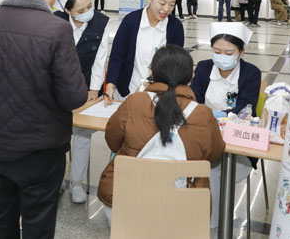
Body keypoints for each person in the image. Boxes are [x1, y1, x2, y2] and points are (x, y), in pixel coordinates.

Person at [0, 0, 88, 238]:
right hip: (40, 151)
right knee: (37, 224)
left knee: (0, 219)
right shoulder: (57, 28)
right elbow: (74, 97)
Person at [97, 45, 226, 225]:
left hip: (124, 202)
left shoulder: (135, 101)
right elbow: (215, 154)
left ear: (152, 72)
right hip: (183, 210)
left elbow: (112, 140)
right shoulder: (203, 114)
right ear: (192, 76)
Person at [190, 22, 262, 229]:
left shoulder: (251, 73)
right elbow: (193, 100)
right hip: (203, 136)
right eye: (217, 51)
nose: (222, 57)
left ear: (241, 51)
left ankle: (212, 227)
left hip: (236, 146)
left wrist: (219, 116)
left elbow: (245, 108)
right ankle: (188, 215)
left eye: (229, 53)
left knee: (212, 170)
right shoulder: (203, 68)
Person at [53, 0, 110, 204]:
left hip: (85, 86)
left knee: (82, 134)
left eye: (90, 6)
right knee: (56, 134)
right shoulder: (55, 21)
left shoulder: (101, 22)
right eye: (81, 10)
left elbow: (100, 58)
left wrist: (94, 89)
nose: (87, 12)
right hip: (57, 86)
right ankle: (55, 179)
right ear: (68, 11)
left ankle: (76, 183)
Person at [105, 0, 185, 102]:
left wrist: (149, 85)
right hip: (127, 90)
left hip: (159, 94)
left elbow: (174, 65)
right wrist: (110, 85)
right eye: (162, 3)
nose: (166, 9)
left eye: (172, 4)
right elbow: (117, 56)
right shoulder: (131, 21)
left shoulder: (175, 27)